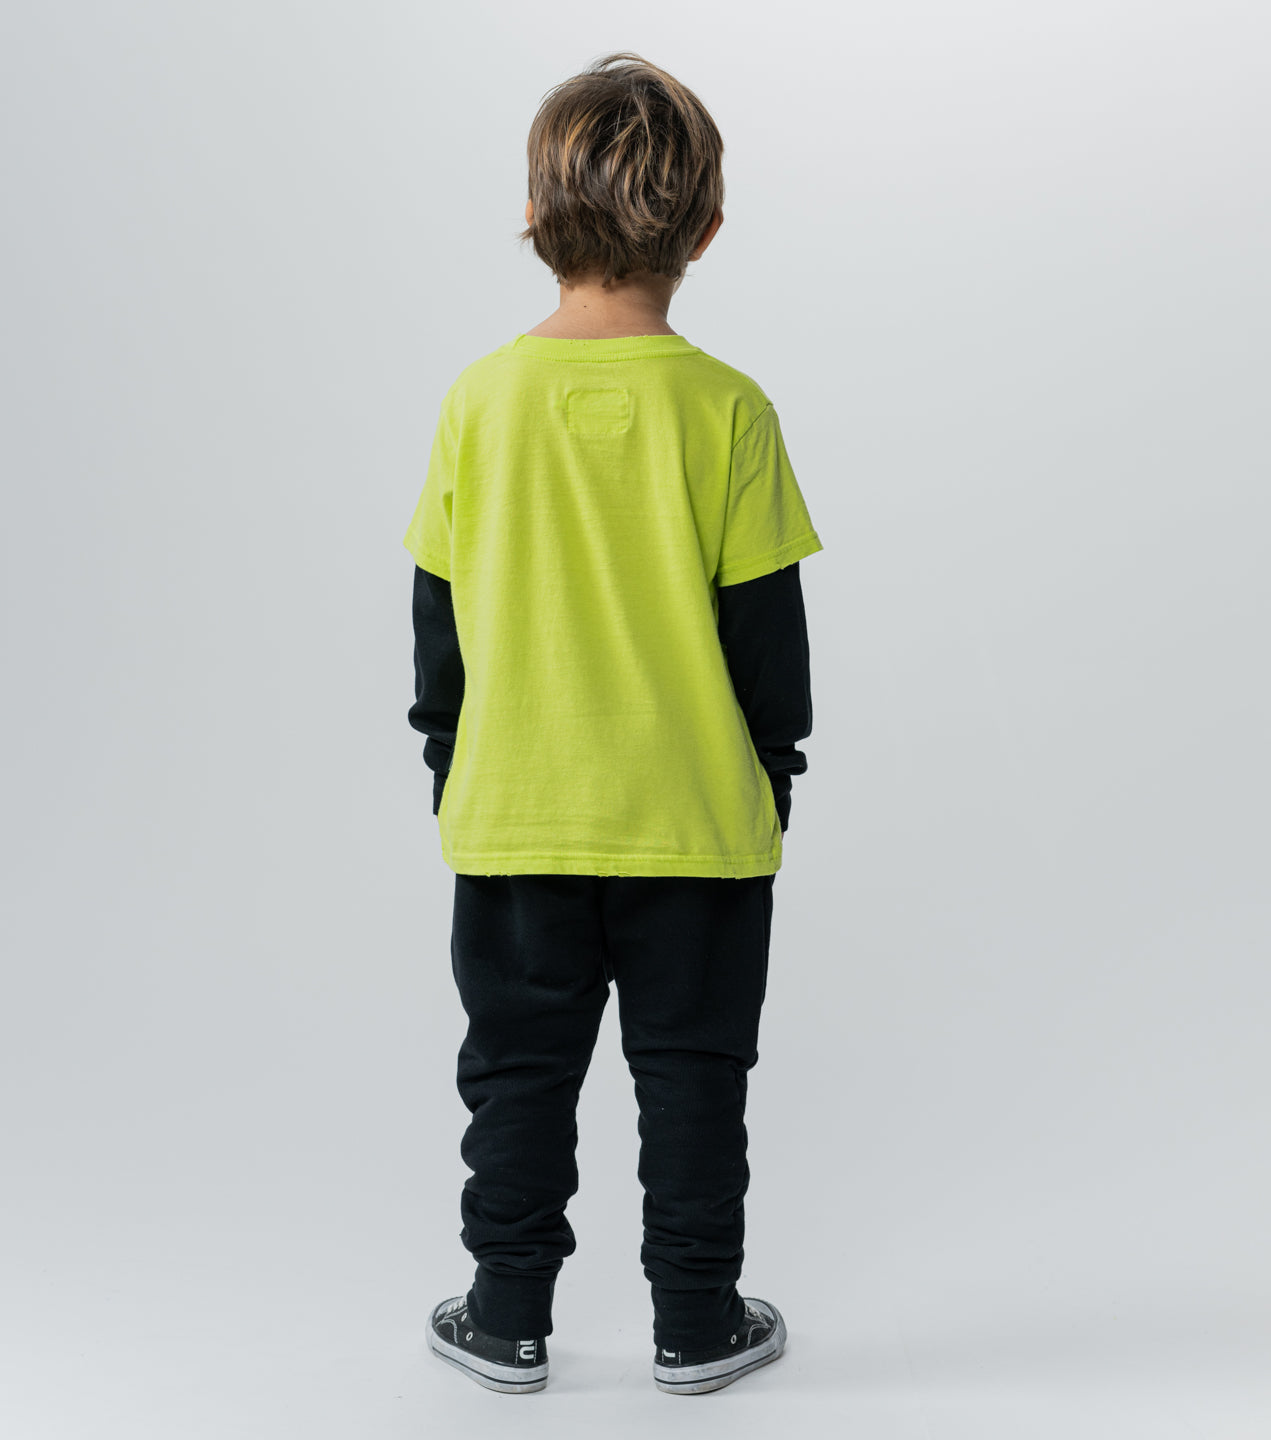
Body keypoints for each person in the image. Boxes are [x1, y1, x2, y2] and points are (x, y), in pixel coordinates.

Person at [404, 51, 822, 1396]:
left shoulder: (478, 400)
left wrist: (451, 765)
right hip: (694, 823)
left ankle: (504, 1314)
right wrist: (770, 780)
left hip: (516, 816)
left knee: (514, 1077)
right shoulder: (730, 409)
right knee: (695, 1078)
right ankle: (696, 1323)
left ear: (534, 214)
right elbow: (768, 641)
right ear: (706, 229)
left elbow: (438, 622)